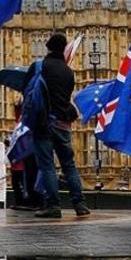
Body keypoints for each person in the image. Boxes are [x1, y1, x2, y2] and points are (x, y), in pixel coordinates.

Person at [30, 34, 90, 218]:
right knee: (69, 165)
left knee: (47, 165)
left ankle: (53, 206)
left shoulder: (41, 67)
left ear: (48, 47)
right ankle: (80, 204)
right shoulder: (68, 71)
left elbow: (31, 93)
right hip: (64, 123)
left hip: (45, 123)